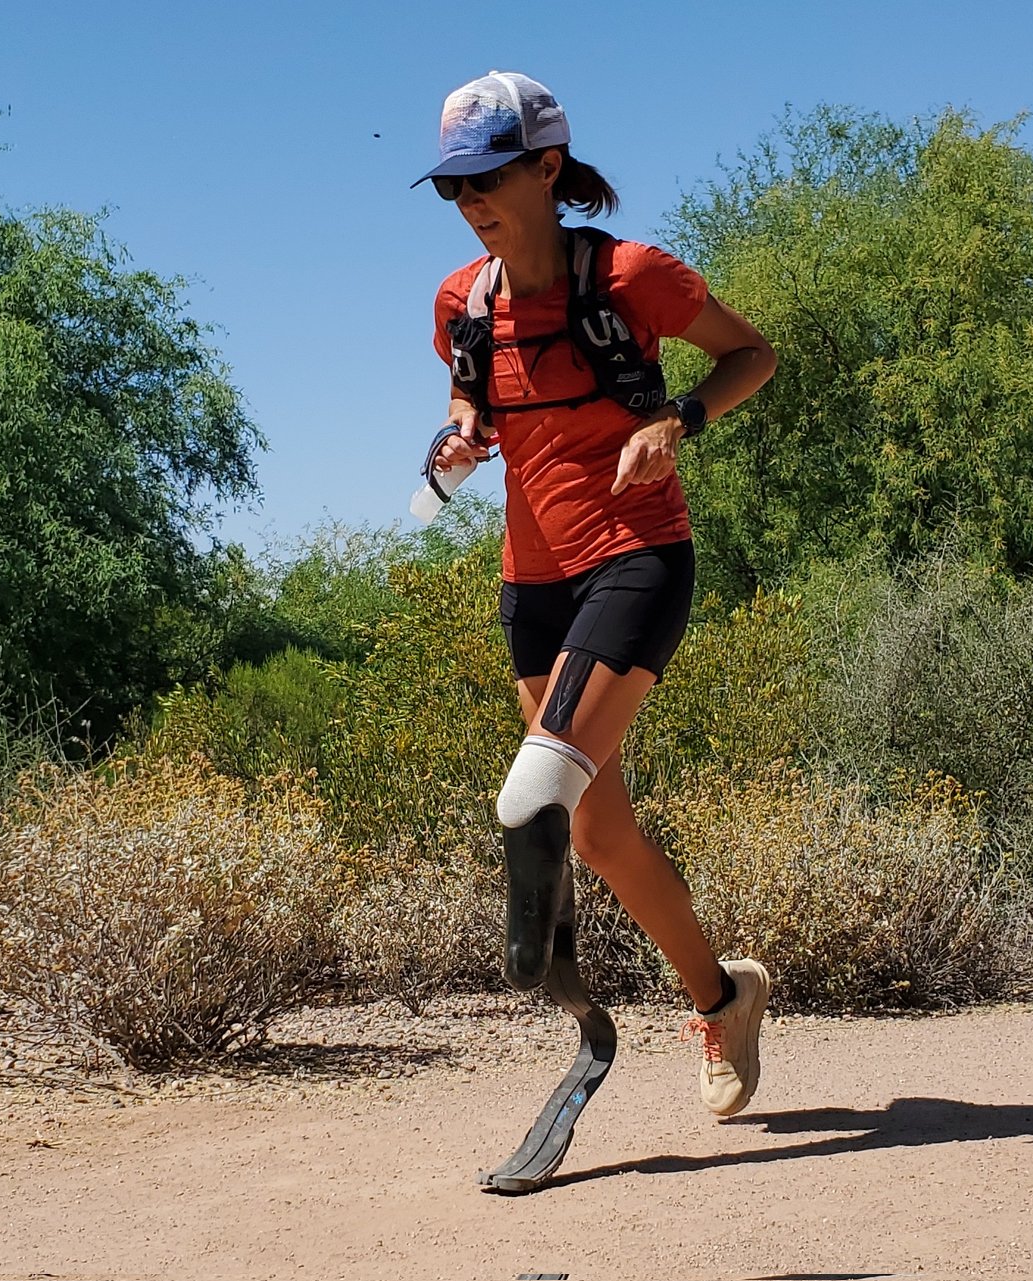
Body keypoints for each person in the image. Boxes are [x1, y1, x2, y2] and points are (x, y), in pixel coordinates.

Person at [415, 71, 779, 1117]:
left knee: (533, 796)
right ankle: (723, 997)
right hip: (530, 586)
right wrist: (459, 436)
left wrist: (678, 421)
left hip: (634, 558)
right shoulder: (460, 301)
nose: (471, 201)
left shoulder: (632, 275)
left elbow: (751, 355)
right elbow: (468, 392)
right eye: (451, 188)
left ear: (543, 167)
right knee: (595, 831)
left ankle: (560, 1003)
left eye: (486, 177)